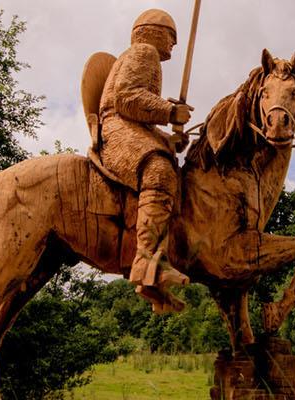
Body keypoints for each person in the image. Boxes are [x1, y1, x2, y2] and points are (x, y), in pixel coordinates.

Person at [90, 9, 195, 313]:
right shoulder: (144, 52)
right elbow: (126, 98)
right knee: (159, 170)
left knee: (167, 159)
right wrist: (169, 112)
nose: (174, 44)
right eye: (171, 36)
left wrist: (169, 136)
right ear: (151, 32)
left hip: (131, 127)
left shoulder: (144, 55)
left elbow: (140, 114)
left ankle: (153, 280)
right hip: (115, 127)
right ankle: (148, 262)